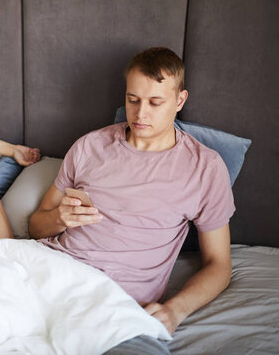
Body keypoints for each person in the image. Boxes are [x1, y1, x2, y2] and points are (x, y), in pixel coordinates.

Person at [29, 47, 234, 352]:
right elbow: (35, 226)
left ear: (180, 101)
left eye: (155, 102)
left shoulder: (205, 167)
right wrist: (59, 218)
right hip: (46, 276)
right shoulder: (89, 146)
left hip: (117, 303)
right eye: (133, 100)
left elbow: (219, 265)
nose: (140, 114)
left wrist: (174, 310)